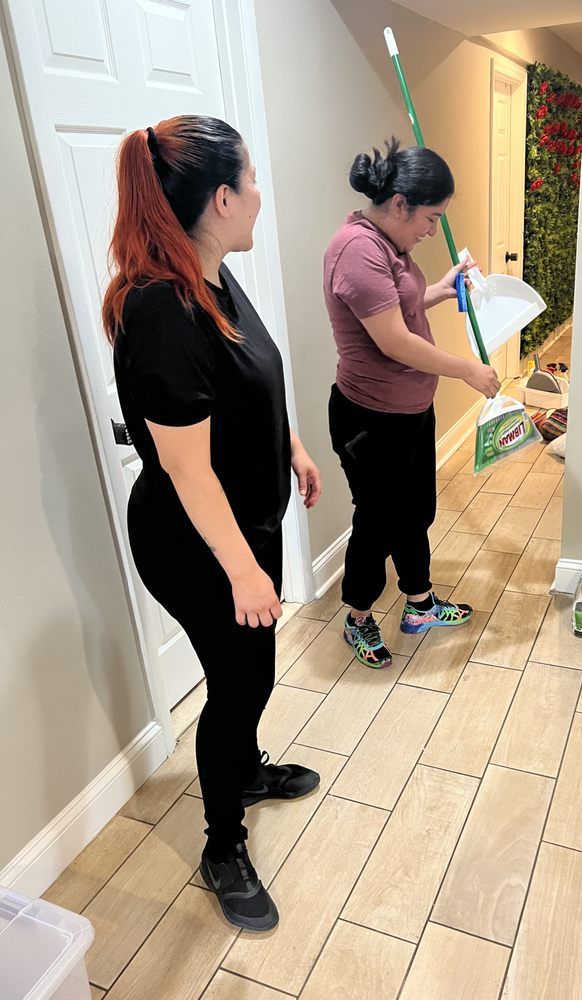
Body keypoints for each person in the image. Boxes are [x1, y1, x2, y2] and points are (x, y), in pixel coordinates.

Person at [103, 116, 322, 931]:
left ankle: (248, 770)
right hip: (195, 544)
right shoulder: (161, 310)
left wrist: (292, 445)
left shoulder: (211, 272)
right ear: (223, 198)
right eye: (254, 180)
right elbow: (188, 472)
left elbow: (251, 378)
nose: (263, 195)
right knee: (237, 685)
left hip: (240, 526)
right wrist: (243, 569)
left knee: (252, 673)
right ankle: (221, 845)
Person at [324, 139, 500, 669]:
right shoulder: (358, 249)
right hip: (370, 419)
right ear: (398, 203)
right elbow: (393, 340)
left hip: (409, 413)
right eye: (430, 218)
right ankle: (357, 617)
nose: (431, 230)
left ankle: (419, 605)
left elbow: (394, 308)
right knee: (377, 521)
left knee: (416, 510)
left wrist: (442, 289)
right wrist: (469, 368)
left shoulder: (390, 246)